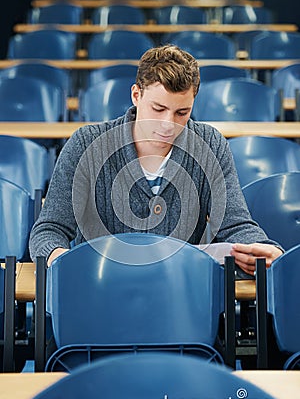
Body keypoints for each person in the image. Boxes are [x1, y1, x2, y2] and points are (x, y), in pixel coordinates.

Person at [29, 44, 283, 275]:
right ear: (136, 95)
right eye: (158, 109)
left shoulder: (210, 145)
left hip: (178, 293)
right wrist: (61, 259)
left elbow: (235, 224)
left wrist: (263, 250)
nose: (167, 125)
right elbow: (49, 230)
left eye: (182, 112)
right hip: (100, 288)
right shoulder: (86, 144)